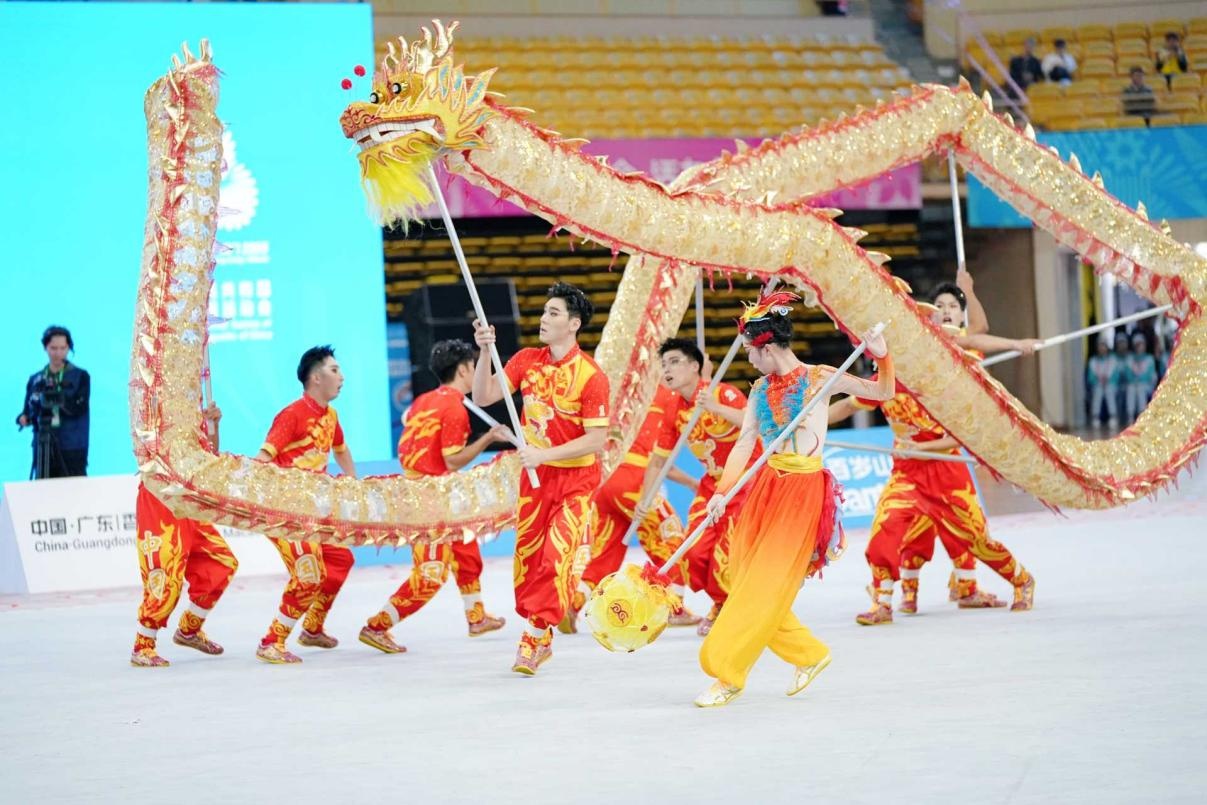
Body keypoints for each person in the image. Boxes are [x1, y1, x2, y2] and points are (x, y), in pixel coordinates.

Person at [693, 292, 894, 708]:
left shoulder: (820, 377)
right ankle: (810, 655)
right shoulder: (760, 388)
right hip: (766, 485)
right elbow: (744, 442)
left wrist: (882, 355)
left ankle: (728, 673)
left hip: (802, 492)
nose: (748, 360)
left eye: (750, 351)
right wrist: (721, 492)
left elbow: (884, 392)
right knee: (740, 576)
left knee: (764, 585)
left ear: (767, 346)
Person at [834, 282, 1038, 625]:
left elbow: (961, 435)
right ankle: (883, 602)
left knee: (976, 542)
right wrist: (804, 420)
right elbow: (847, 406)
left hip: (947, 474)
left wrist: (923, 447)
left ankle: (1021, 579)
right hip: (907, 475)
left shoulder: (947, 381)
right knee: (885, 531)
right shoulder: (887, 381)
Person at [472, 282, 610, 675]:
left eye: (553, 313)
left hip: (576, 483)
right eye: (544, 311)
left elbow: (597, 439)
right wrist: (485, 352)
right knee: (529, 565)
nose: (543, 319)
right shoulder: (526, 360)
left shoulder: (591, 376)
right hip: (535, 481)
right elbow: (484, 396)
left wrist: (543, 453)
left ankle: (533, 640)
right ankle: (544, 628)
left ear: (574, 324)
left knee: (555, 558)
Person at [360, 340, 510, 654]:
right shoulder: (455, 408)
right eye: (474, 367)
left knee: (466, 548)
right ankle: (377, 625)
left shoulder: (423, 401)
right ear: (465, 369)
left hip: (425, 490)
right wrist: (489, 438)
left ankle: (476, 615)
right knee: (430, 574)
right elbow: (453, 460)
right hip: (430, 498)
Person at [634, 337, 761, 637]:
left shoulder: (722, 392)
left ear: (695, 366)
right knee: (692, 551)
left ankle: (726, 605)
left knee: (726, 551)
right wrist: (645, 499)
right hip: (711, 486)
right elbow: (658, 461)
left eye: (675, 362)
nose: (667, 369)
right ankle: (721, 599)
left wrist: (715, 407)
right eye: (664, 364)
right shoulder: (674, 411)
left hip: (744, 480)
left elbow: (753, 422)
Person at [563, 382, 701, 633]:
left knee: (605, 554)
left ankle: (574, 602)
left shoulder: (631, 392)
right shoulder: (673, 400)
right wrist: (693, 482)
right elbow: (659, 462)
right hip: (635, 482)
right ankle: (676, 608)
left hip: (606, 482)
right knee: (673, 539)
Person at [253, 346, 358, 664]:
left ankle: (312, 628)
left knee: (340, 561)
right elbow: (263, 459)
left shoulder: (331, 416)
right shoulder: (292, 415)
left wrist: (353, 483)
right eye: (335, 370)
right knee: (309, 577)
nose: (342, 377)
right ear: (316, 377)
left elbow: (340, 450)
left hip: (315, 513)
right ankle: (272, 641)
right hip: (287, 515)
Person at [131, 402, 238, 667]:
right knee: (166, 575)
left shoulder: (193, 409)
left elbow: (209, 456)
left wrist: (212, 426)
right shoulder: (154, 405)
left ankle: (189, 630)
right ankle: (143, 644)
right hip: (161, 497)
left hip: (188, 500)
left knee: (221, 564)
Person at [17, 326, 90, 479]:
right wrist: (24, 418)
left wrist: (60, 399)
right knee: (43, 493)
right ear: (45, 348)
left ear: (69, 347)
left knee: (75, 493)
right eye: (53, 348)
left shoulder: (80, 376)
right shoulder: (36, 379)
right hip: (43, 444)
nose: (58, 353)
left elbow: (80, 408)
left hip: (72, 445)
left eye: (63, 348)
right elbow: (28, 411)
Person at [1087, 336, 1120, 427]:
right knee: (1098, 390)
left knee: (1109, 390)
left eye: (1104, 346)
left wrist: (1108, 382)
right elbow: (1090, 378)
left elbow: (1116, 376)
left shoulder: (1113, 360)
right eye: (1100, 346)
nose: (1102, 348)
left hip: (1111, 385)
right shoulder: (1093, 361)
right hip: (1098, 385)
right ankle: (1095, 416)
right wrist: (1098, 382)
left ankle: (1113, 416)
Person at [1124, 331, 1158, 422]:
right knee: (1131, 388)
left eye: (1141, 344)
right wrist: (1134, 380)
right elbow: (1128, 374)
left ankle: (1141, 414)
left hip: (1146, 385)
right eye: (1137, 345)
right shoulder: (1129, 359)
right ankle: (1130, 414)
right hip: (1133, 384)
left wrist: (1141, 380)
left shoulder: (1149, 358)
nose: (1139, 347)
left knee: (1140, 388)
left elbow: (1151, 375)